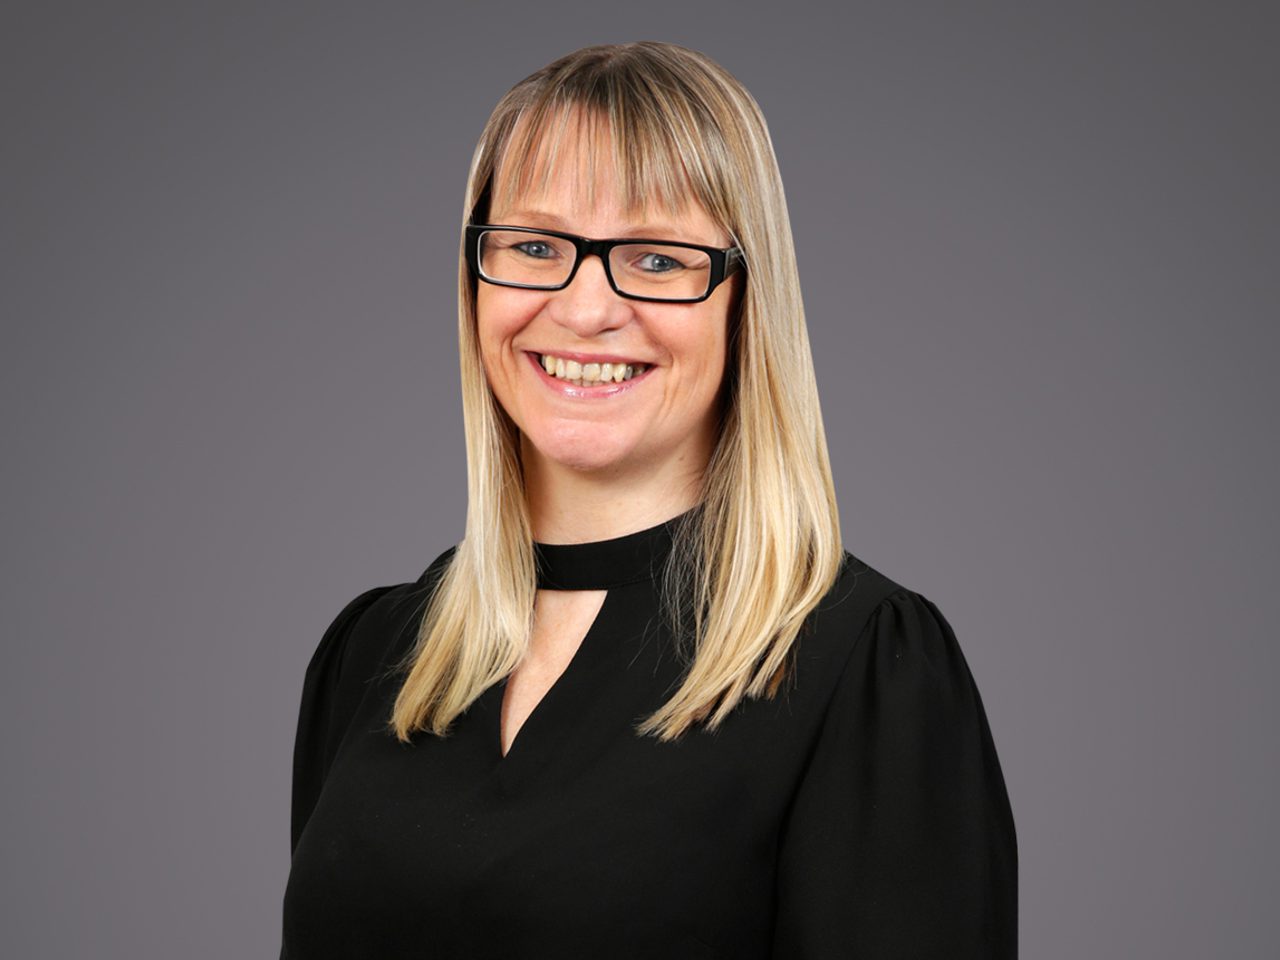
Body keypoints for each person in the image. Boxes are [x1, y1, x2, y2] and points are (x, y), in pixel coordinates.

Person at [280, 41, 1017, 959]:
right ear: (475, 278)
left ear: (745, 300)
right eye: (536, 247)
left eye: (657, 259)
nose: (586, 309)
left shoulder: (862, 670)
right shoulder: (376, 656)